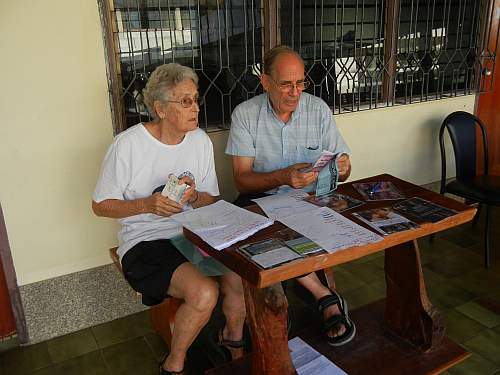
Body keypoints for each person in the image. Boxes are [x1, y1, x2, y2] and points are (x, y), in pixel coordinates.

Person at [92, 63, 246, 374]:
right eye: (186, 101)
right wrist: (146, 205)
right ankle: (173, 364)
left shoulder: (199, 140)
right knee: (204, 292)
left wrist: (195, 197)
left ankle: (232, 339)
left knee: (242, 274)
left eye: (196, 99)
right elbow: (100, 206)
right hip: (145, 239)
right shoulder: (129, 145)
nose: (196, 108)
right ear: (161, 109)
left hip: (193, 231)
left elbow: (212, 201)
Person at [225, 45, 355, 347]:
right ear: (265, 82)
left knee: (321, 224)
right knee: (263, 236)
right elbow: (242, 180)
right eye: (286, 84)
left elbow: (341, 168)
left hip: (308, 199)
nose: (295, 92)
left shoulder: (317, 109)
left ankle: (305, 299)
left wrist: (343, 168)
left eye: (300, 82)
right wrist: (283, 176)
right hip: (260, 199)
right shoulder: (246, 114)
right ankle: (322, 297)